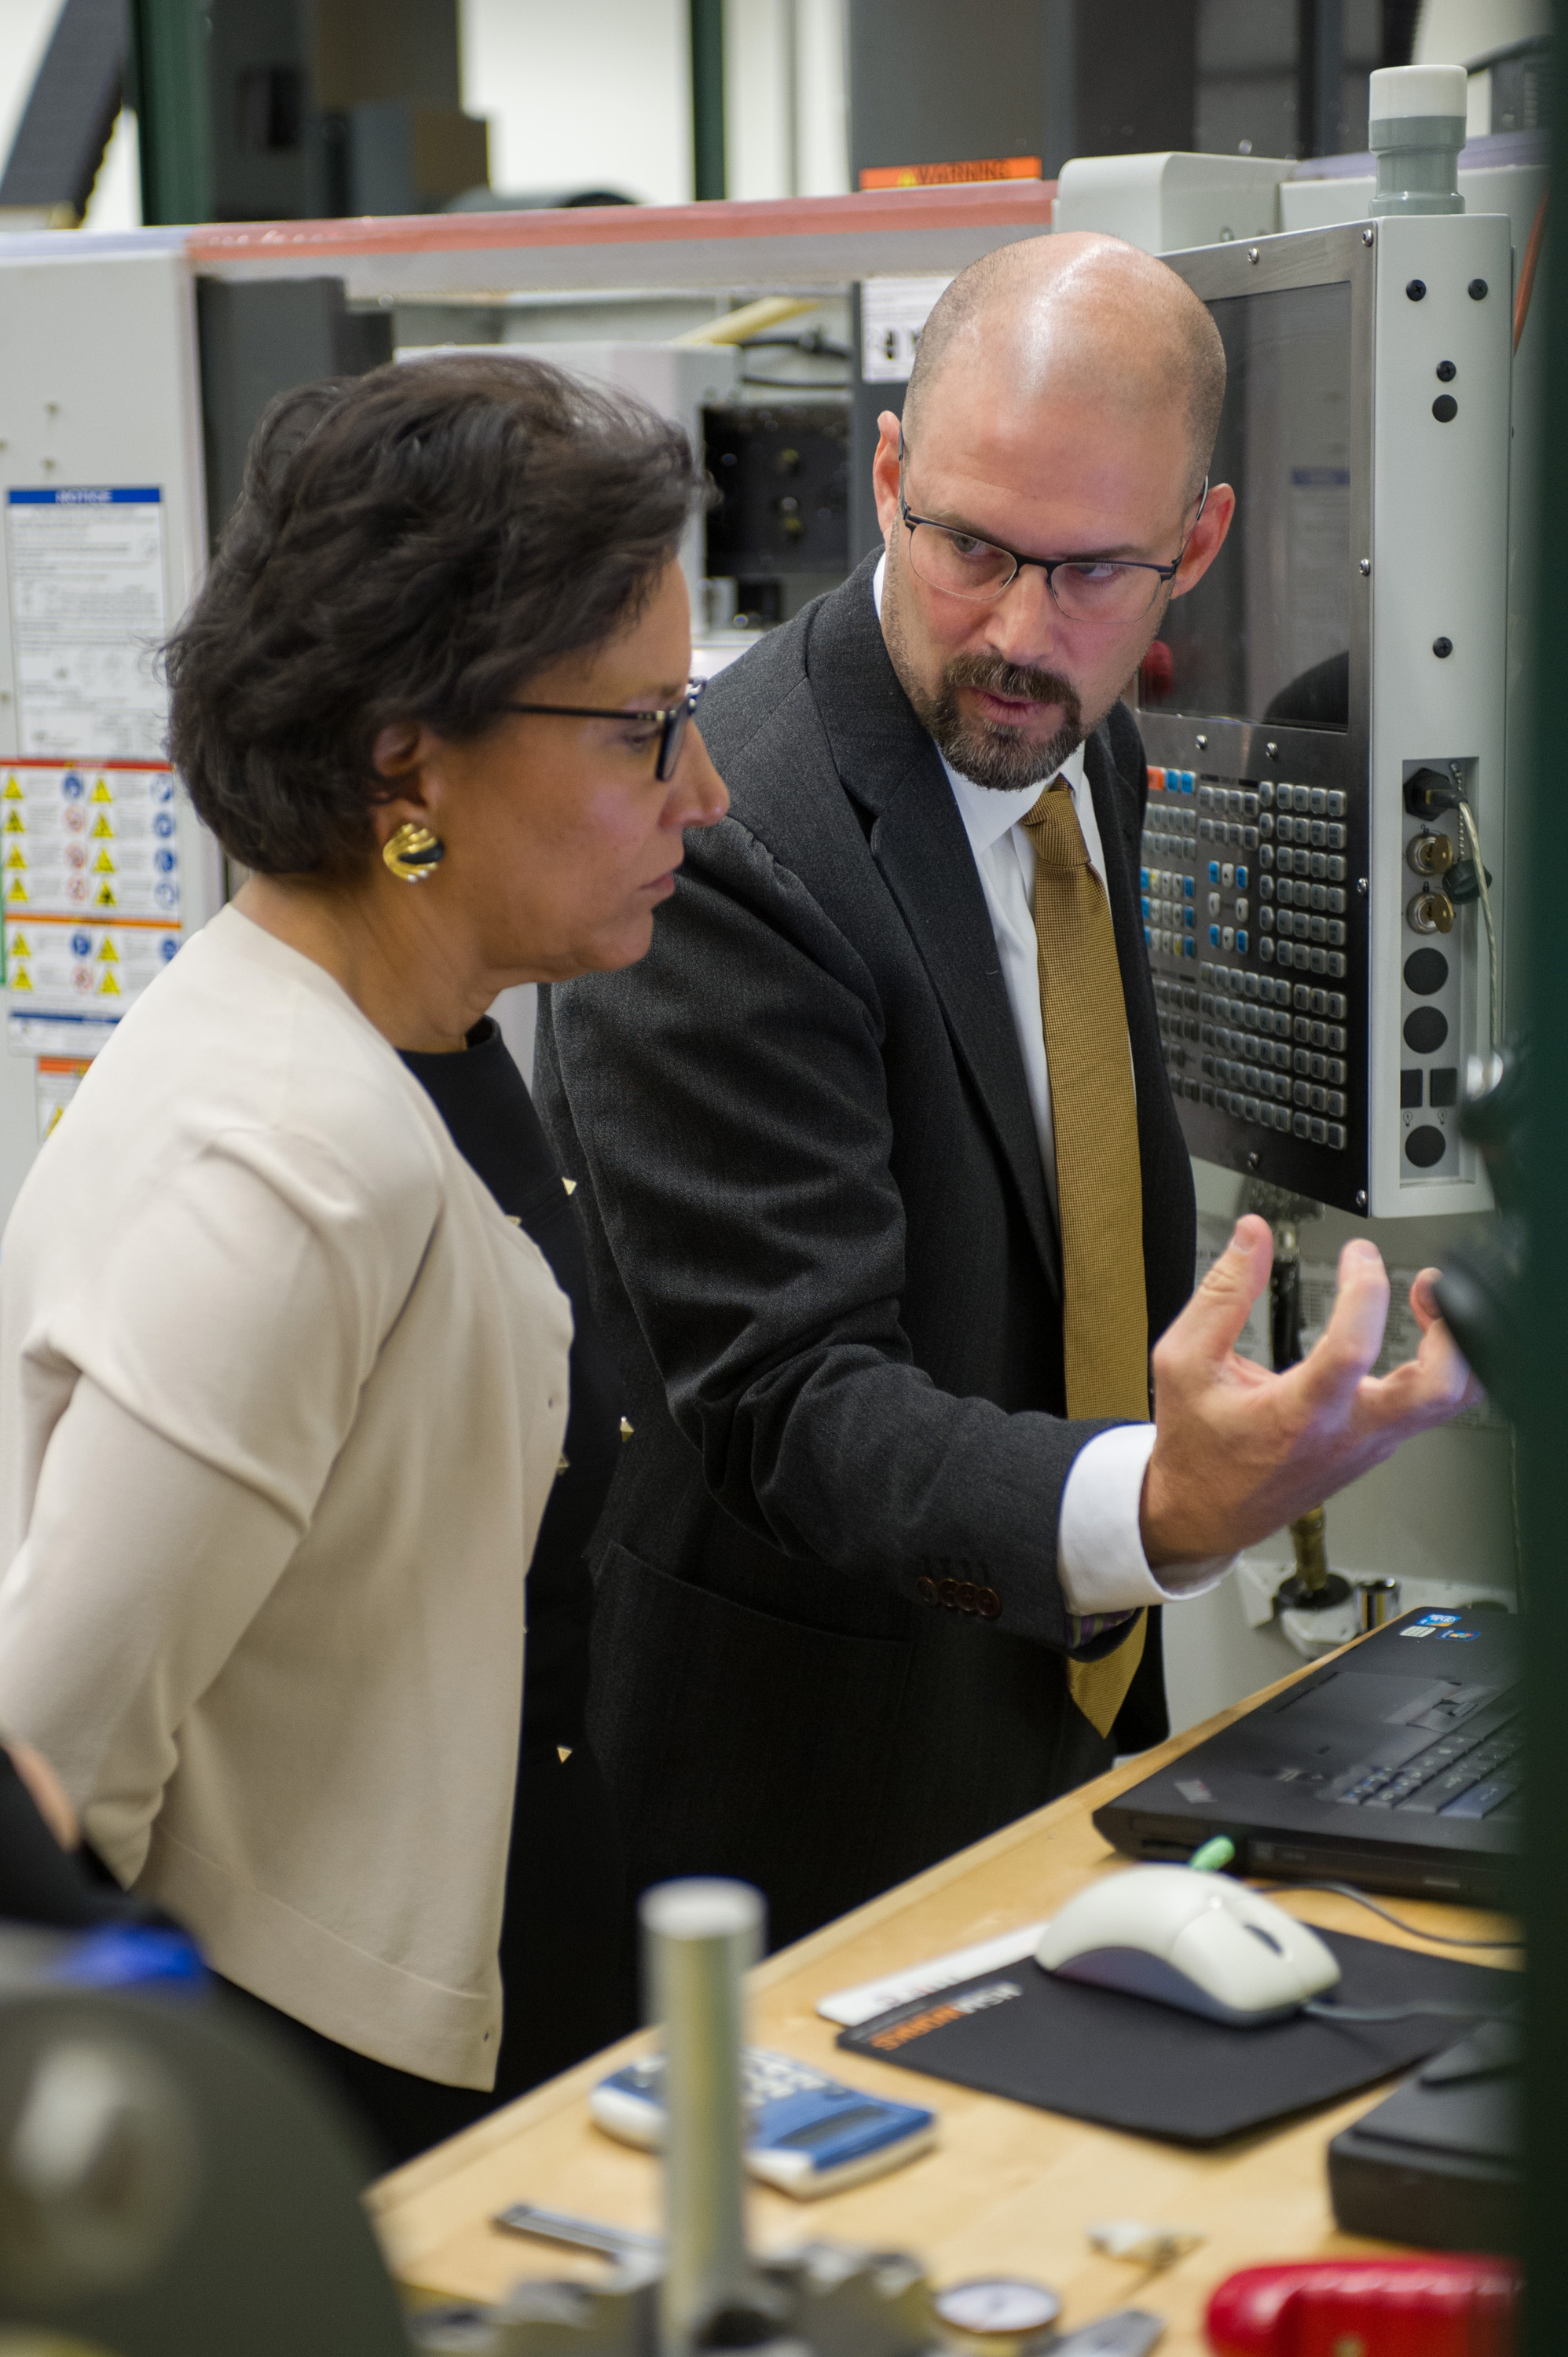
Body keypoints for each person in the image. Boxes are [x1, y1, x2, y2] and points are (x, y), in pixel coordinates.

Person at [536, 233, 1479, 1951]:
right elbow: (800, 1401)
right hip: (804, 1805)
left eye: (1091, 573)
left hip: (1045, 1737)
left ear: (1193, 545)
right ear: (887, 473)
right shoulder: (736, 849)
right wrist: (1154, 1504)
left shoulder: (1076, 746)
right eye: (968, 545)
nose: (1017, 635)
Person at [0, 354, 727, 2163]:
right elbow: (53, 1783)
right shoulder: (285, 1170)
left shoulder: (424, 1033)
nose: (701, 789)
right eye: (642, 728)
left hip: (486, 2035)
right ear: (411, 754)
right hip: (322, 2121)